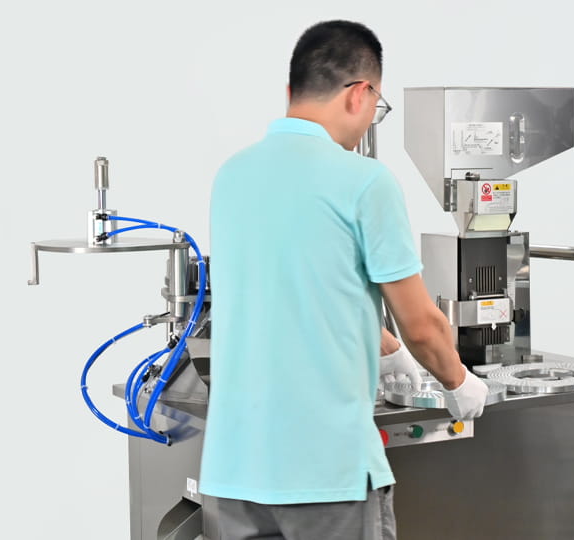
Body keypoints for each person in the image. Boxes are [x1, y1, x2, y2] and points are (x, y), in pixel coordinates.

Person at [200, 20, 489, 540]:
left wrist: (384, 347)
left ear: (291, 92)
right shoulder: (365, 181)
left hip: (232, 473)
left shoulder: (232, 176)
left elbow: (298, 291)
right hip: (326, 474)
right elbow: (422, 323)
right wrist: (459, 382)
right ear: (361, 94)